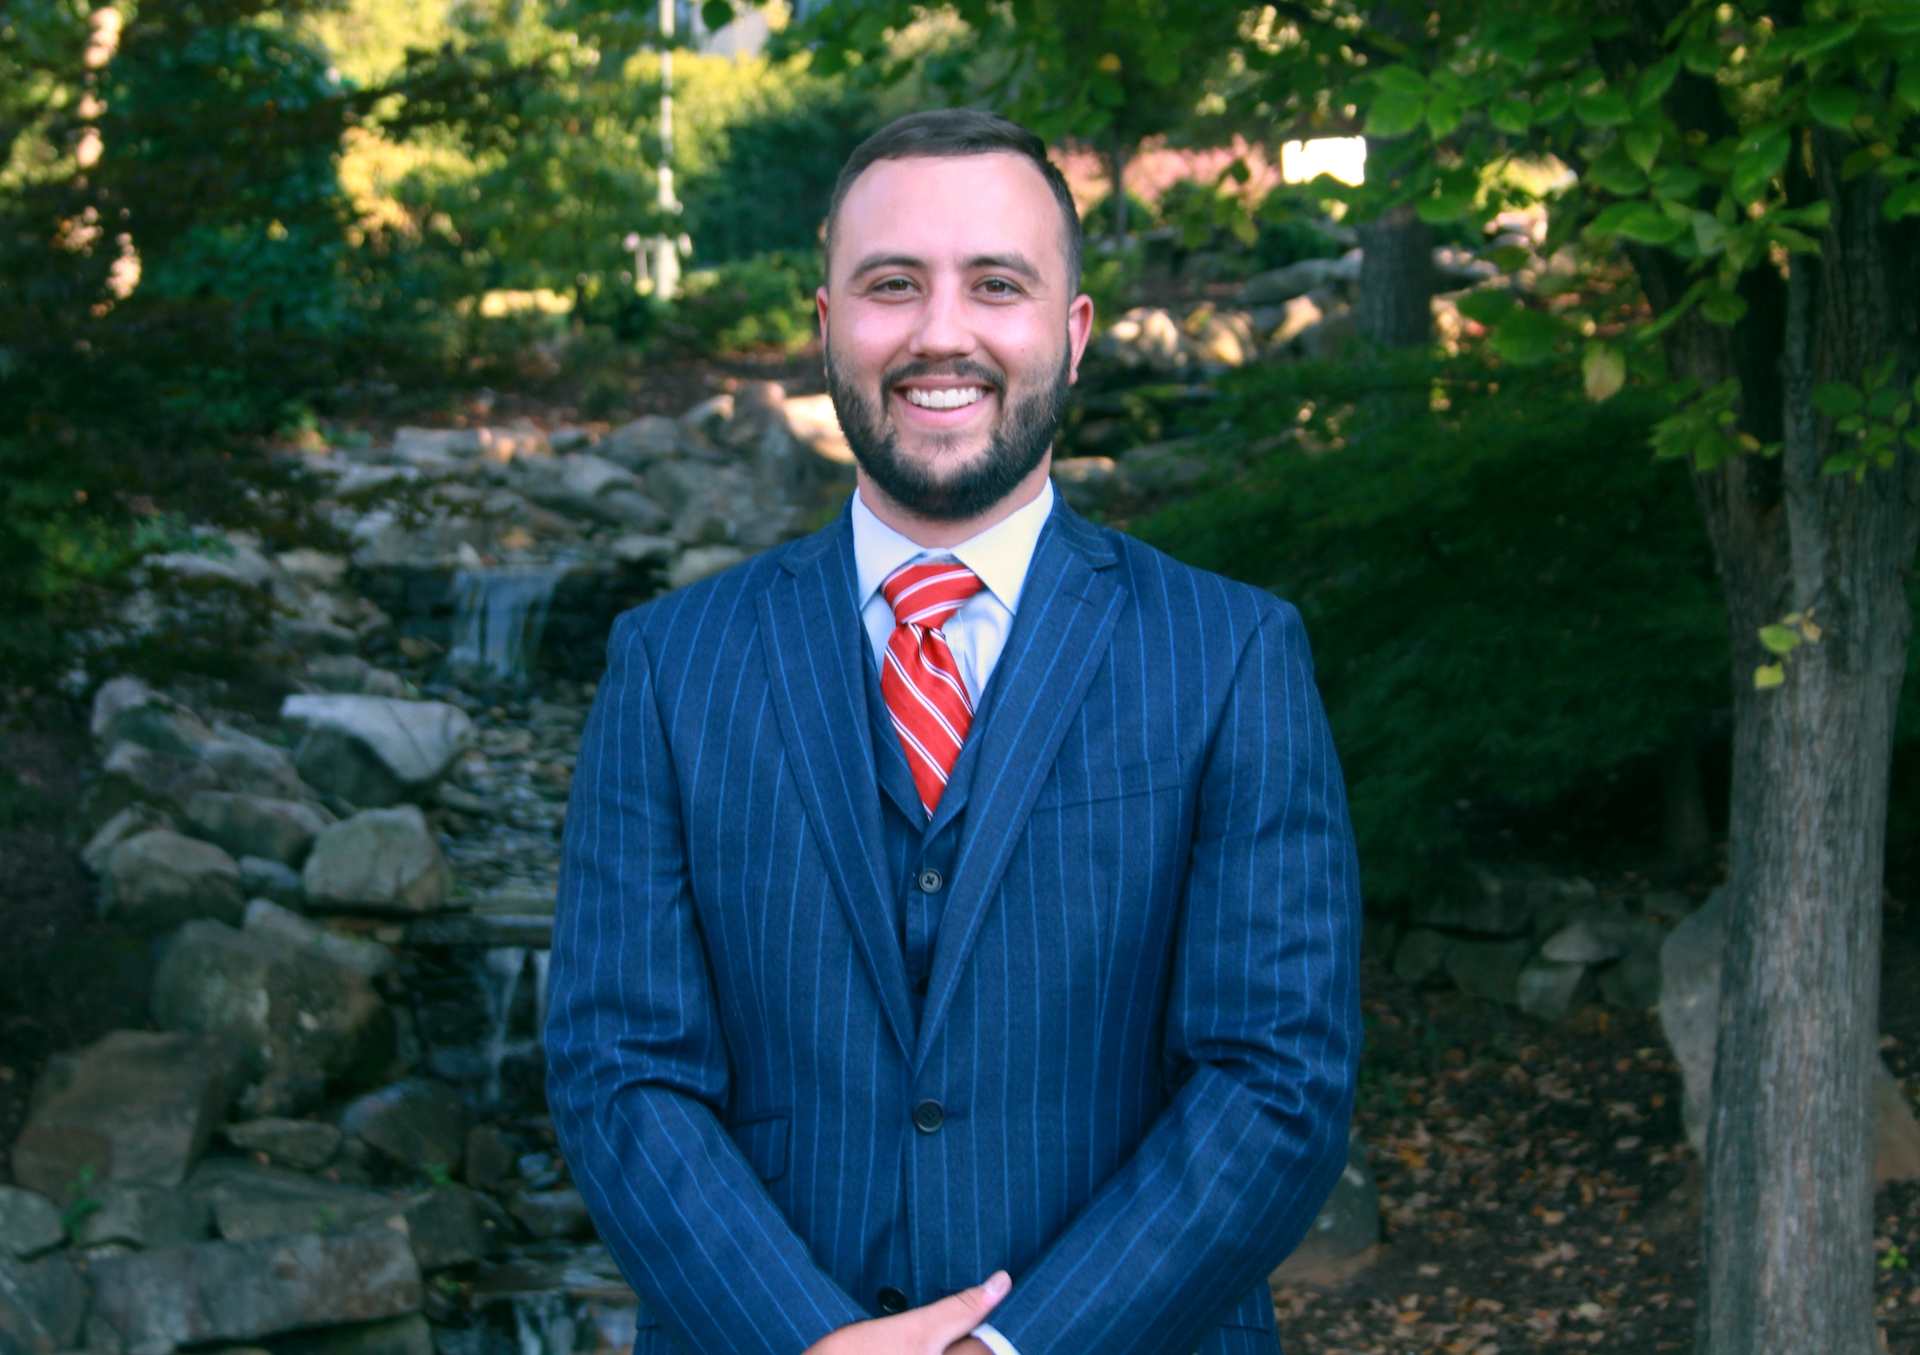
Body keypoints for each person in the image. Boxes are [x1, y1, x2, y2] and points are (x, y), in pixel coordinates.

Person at [545, 107, 1361, 1355]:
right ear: (828, 326)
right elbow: (618, 1066)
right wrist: (809, 1340)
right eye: (892, 285)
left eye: (996, 284)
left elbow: (1278, 1078)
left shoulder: (1233, 654)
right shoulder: (668, 665)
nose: (941, 331)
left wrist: (1011, 1347)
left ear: (1071, 334)